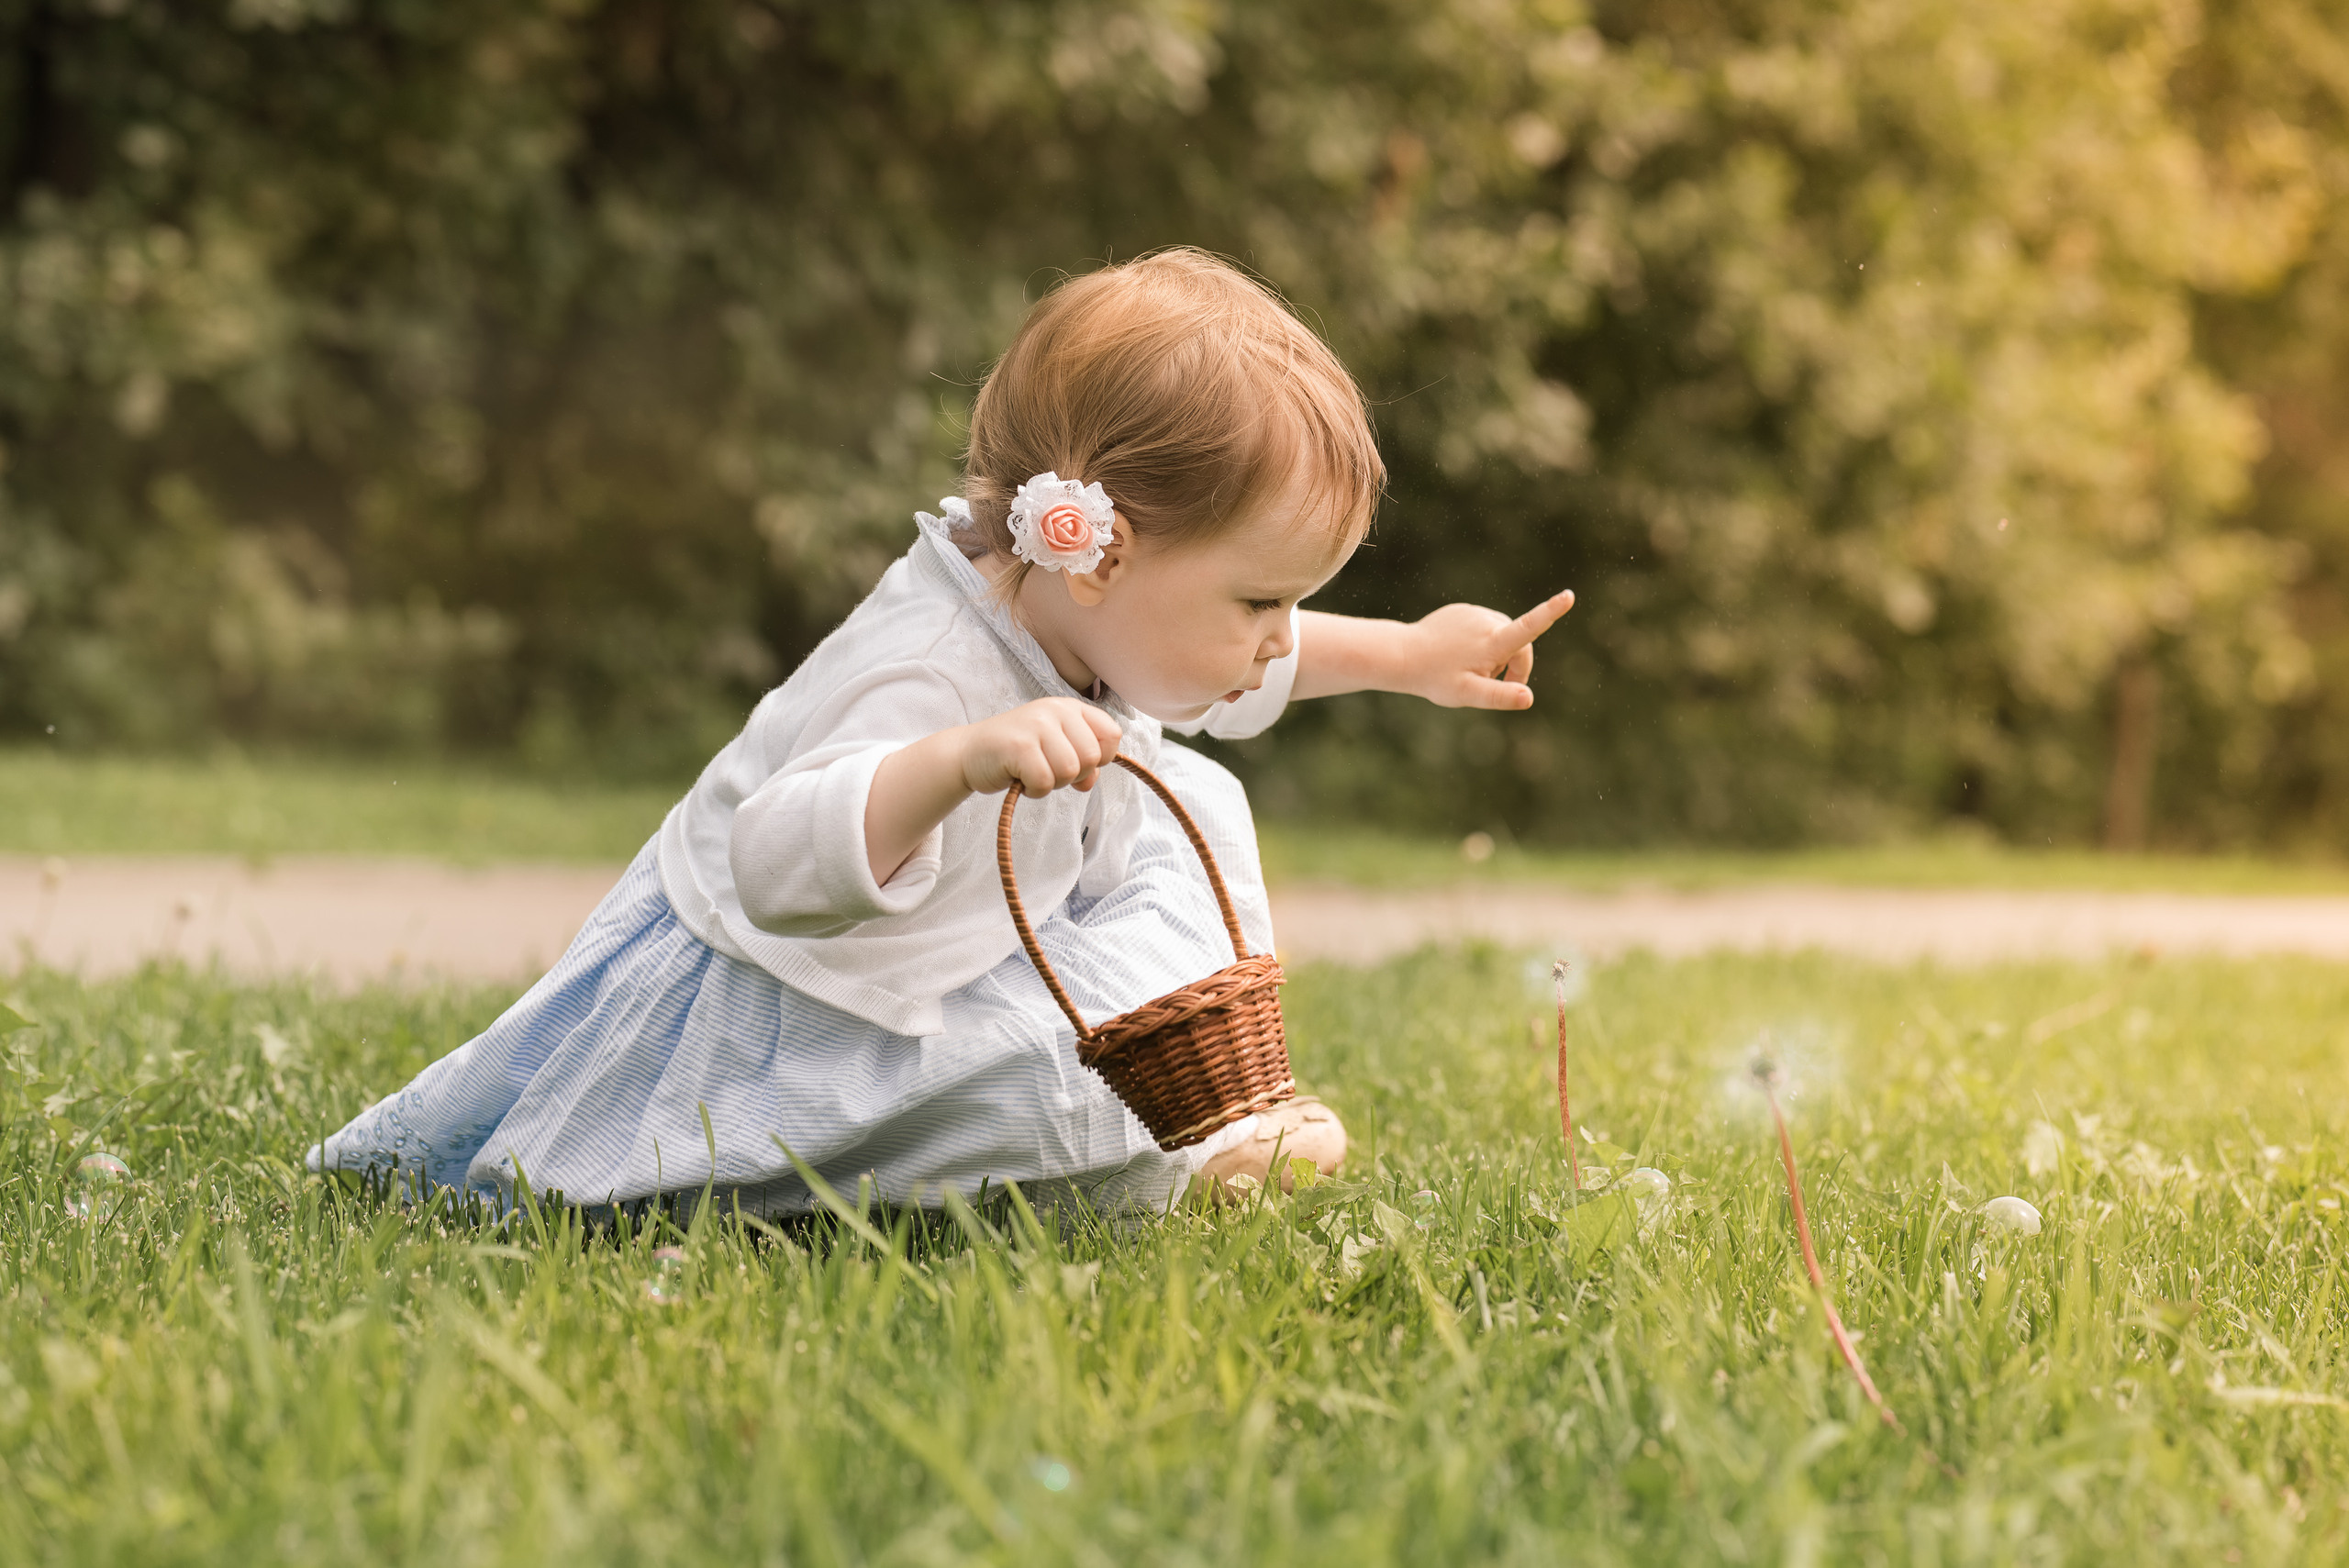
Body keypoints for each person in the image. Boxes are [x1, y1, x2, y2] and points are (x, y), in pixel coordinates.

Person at [309, 249, 1574, 1217]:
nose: (1277, 635)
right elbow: (778, 860)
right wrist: (954, 765)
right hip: (815, 1009)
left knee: (1192, 803)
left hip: (951, 958)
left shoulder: (1092, 614)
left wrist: (1407, 655)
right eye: (1261, 601)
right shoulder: (929, 671)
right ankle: (1168, 1158)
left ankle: (1194, 1106)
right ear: (1100, 556)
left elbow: (1242, 665)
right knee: (1053, 1084)